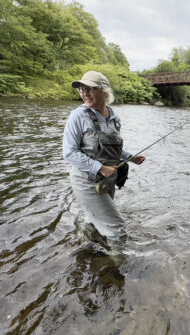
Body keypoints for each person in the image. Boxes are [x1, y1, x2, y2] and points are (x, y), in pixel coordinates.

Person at [62, 71, 145, 258]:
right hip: (86, 180)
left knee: (93, 221)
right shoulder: (77, 116)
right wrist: (99, 167)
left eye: (90, 89)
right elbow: (69, 152)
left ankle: (88, 247)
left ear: (104, 91)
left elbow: (112, 148)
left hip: (107, 179)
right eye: (82, 89)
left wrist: (131, 157)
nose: (84, 93)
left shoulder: (114, 118)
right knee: (117, 229)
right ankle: (115, 269)